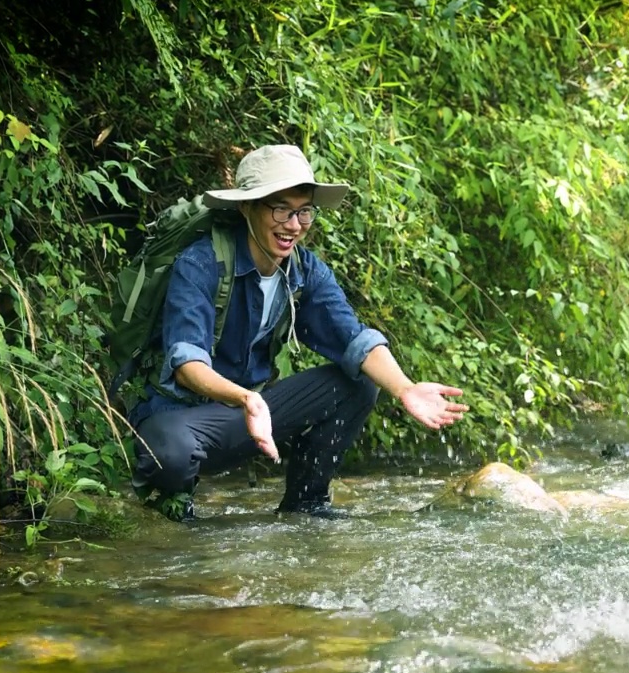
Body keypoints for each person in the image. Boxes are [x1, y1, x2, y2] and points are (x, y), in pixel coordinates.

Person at [128, 144, 469, 520]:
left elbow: (353, 340)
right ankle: (176, 518)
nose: (294, 225)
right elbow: (186, 364)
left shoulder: (304, 270)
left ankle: (305, 507)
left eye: (304, 211)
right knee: (169, 450)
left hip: (254, 415)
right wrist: (245, 399)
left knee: (359, 383)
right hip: (189, 418)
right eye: (280, 209)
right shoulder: (201, 263)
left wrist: (405, 387)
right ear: (247, 208)